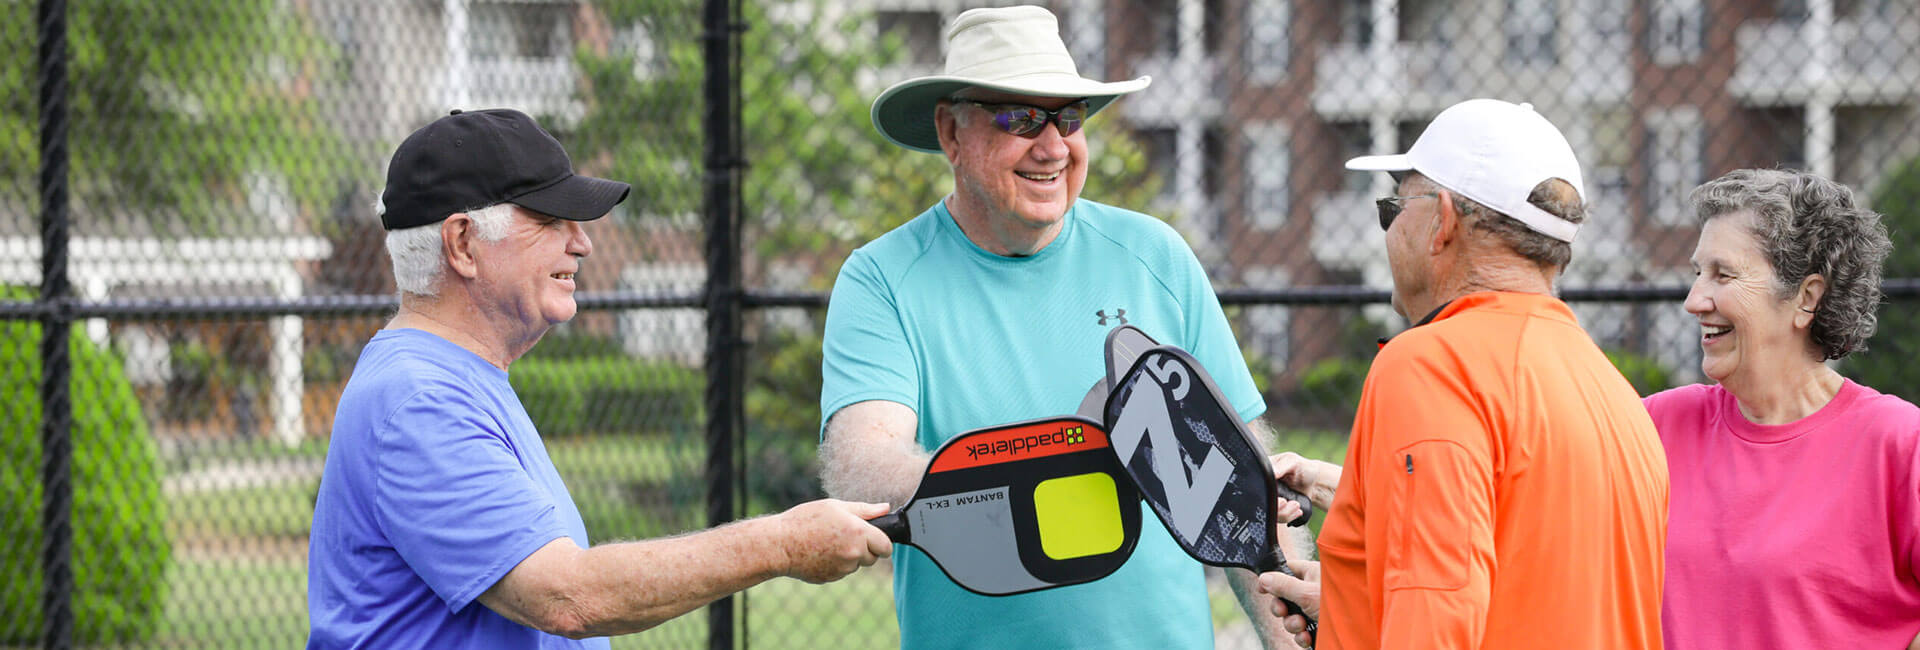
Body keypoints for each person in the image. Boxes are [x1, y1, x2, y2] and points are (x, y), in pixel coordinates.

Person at [307, 108, 892, 649]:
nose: (582, 242)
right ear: (462, 243)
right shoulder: (420, 398)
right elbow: (567, 595)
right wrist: (783, 543)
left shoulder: (452, 378)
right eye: (551, 219)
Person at [816, 5, 1305, 649]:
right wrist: (1078, 459)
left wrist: (1289, 634)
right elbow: (864, 467)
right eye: (1019, 118)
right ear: (951, 133)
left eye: (1068, 118)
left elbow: (1241, 477)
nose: (1051, 146)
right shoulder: (882, 277)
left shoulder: (1153, 254)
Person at [1256, 99, 1670, 649]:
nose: (1389, 229)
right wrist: (1351, 610)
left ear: (1443, 221)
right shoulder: (1612, 391)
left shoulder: (1431, 365)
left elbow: (1436, 619)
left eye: (1393, 207)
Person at [1645, 168, 1920, 648]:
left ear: (1806, 297)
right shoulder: (1654, 426)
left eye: (1722, 274)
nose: (1693, 300)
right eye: (1696, 273)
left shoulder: (1897, 443)